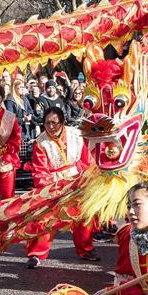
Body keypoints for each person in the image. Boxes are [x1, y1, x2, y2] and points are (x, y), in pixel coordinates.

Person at [25, 106, 98, 267]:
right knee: (46, 218)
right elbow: (39, 170)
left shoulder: (77, 135)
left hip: (77, 179)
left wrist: (86, 178)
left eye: (54, 123)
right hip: (54, 183)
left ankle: (85, 249)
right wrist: (49, 188)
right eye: (47, 123)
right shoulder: (40, 142)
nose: (51, 126)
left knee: (83, 215)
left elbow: (87, 159)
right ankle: (37, 254)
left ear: (62, 122)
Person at [6, 78, 38, 142]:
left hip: (26, 131)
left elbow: (30, 110)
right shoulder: (10, 100)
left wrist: (30, 115)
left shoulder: (24, 98)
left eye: (23, 87)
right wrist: (23, 119)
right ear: (14, 88)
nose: (23, 89)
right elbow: (10, 118)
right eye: (20, 87)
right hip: (15, 132)